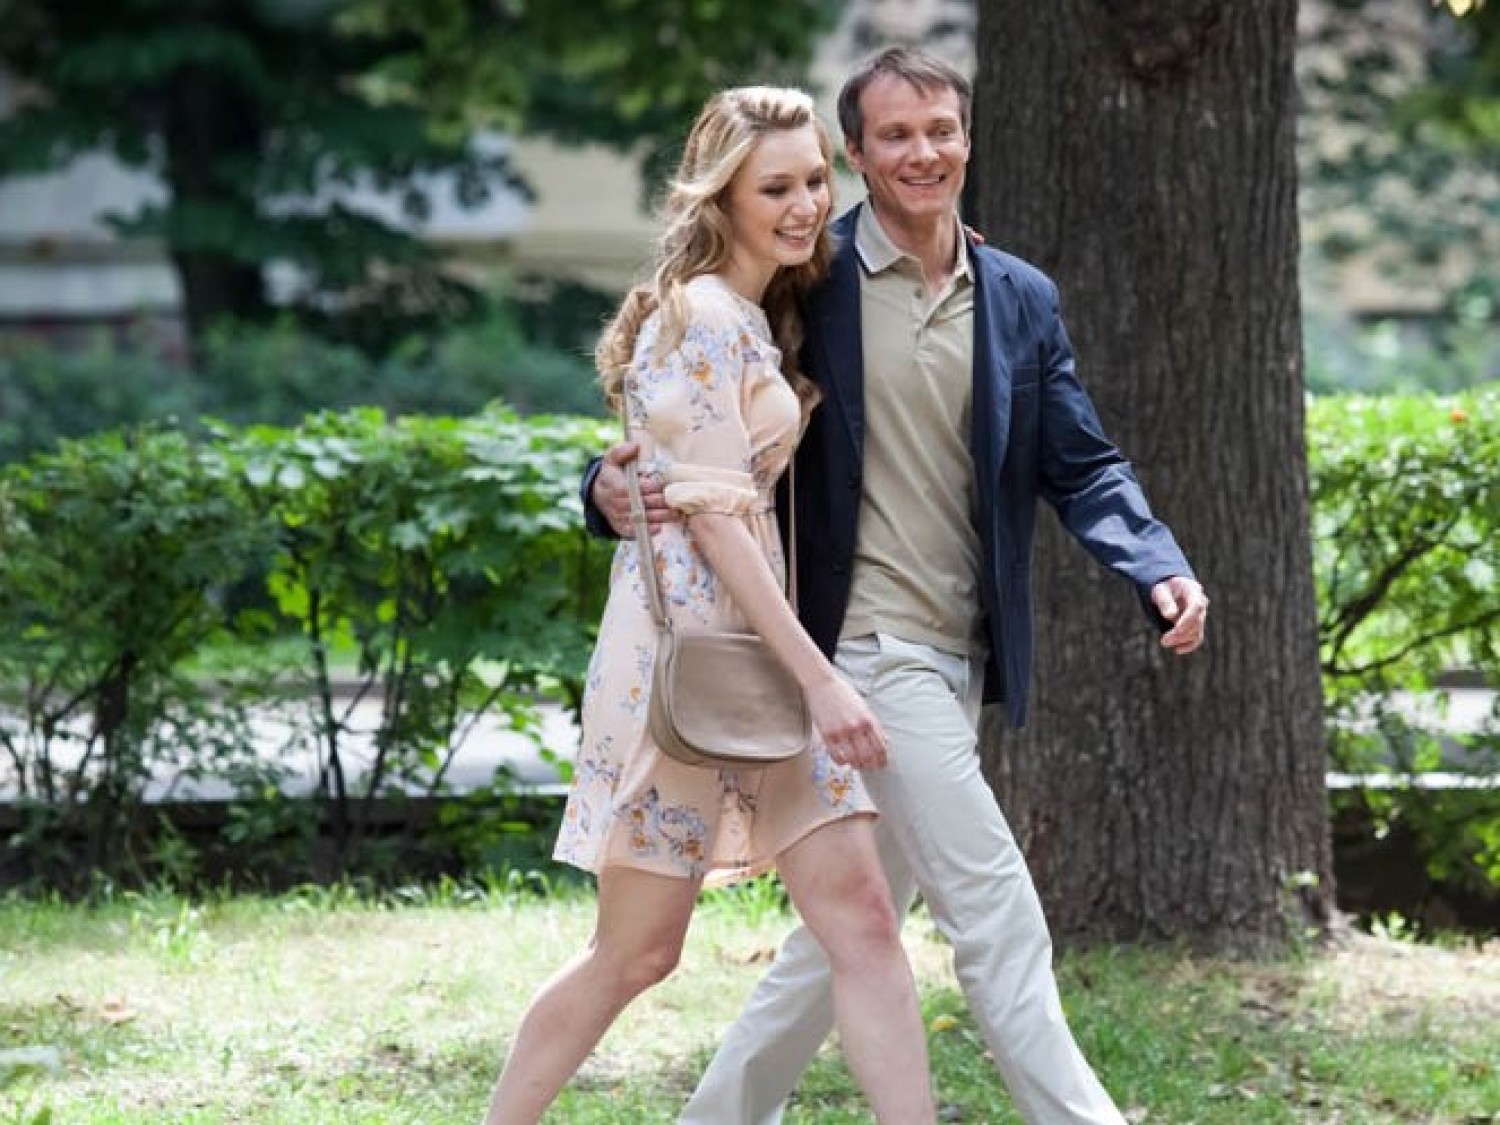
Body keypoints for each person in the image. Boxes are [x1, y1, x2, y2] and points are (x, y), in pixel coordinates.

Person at [585, 48, 1211, 1125]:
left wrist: (1157, 561)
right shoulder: (808, 279)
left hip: (958, 655)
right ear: (858, 154)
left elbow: (1083, 462)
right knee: (996, 909)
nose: (923, 152)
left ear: (967, 139)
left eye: (940, 130)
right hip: (856, 654)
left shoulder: (1017, 298)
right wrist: (602, 486)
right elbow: (687, 399)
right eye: (894, 135)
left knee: (841, 942)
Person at [482, 85, 940, 1125]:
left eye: (815, 181)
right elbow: (715, 521)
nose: (804, 205)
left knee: (865, 920)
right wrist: (821, 682)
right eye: (774, 188)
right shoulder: (698, 316)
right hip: (690, 662)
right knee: (636, 953)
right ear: (720, 197)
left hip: (765, 654)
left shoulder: (763, 312)